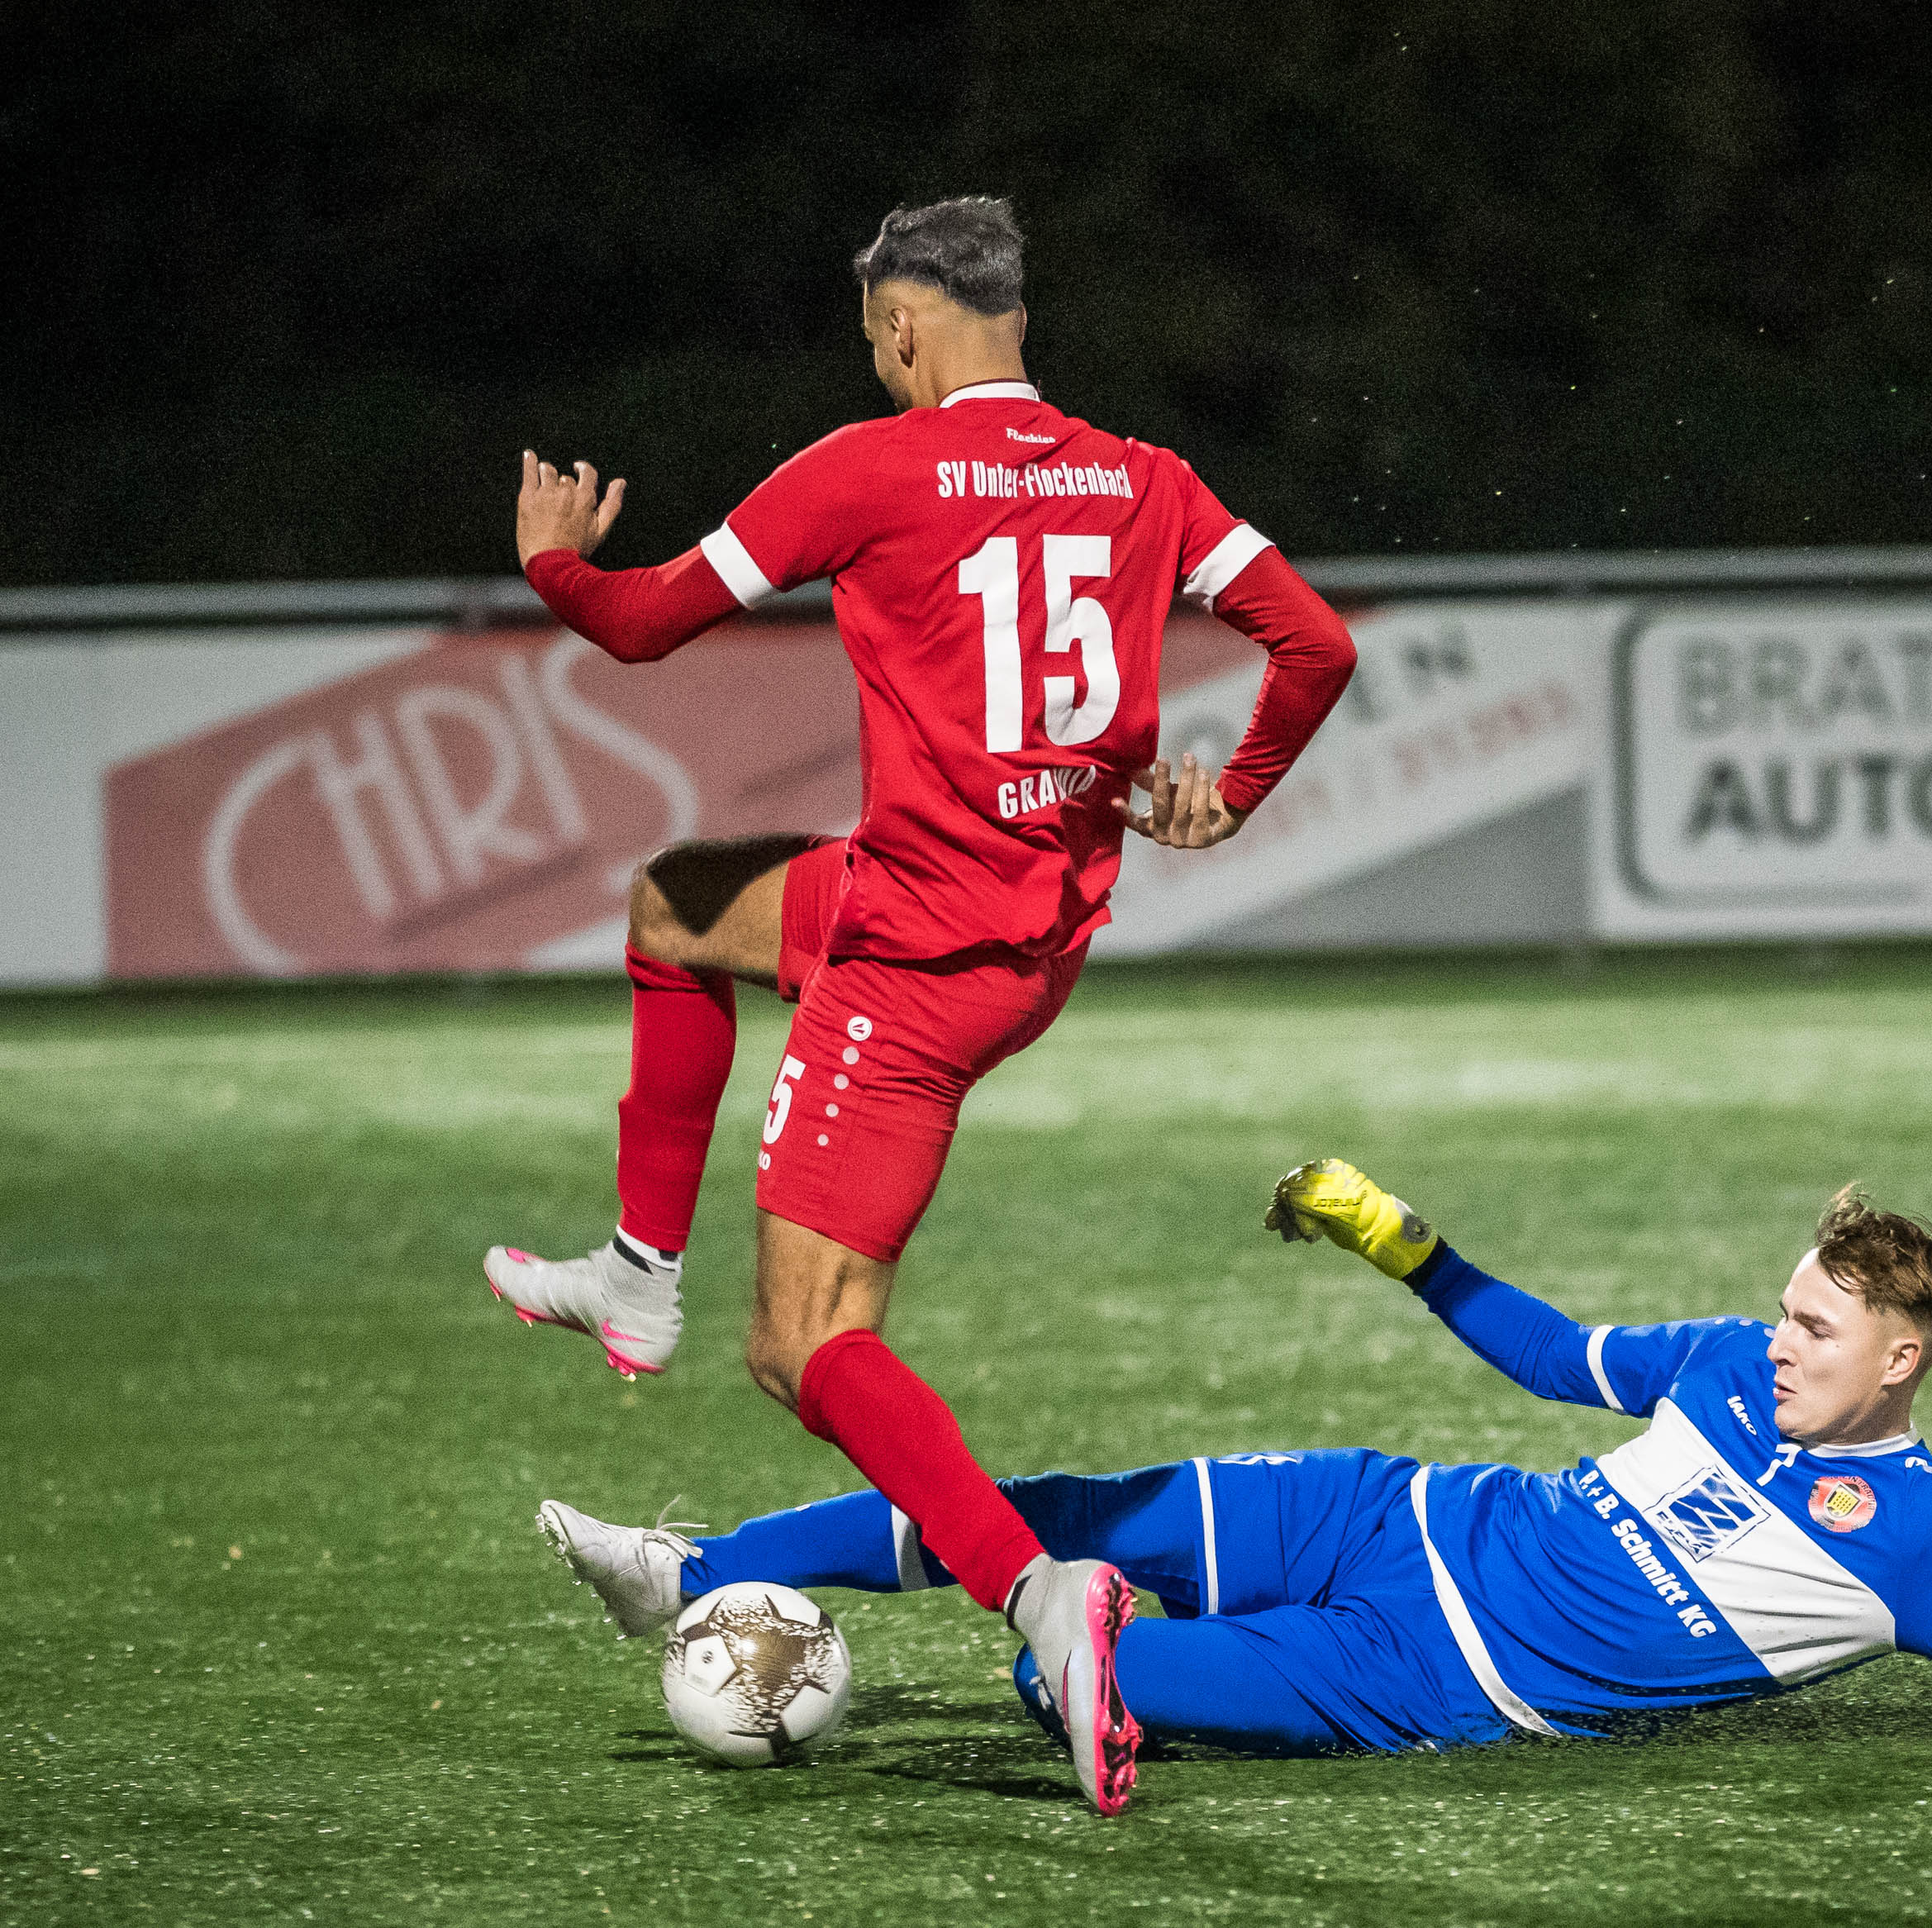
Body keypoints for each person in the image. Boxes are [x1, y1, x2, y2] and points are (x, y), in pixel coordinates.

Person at [488, 197, 1358, 1815]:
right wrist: (1224, 795)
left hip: (912, 971)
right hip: (1021, 940)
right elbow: (1310, 642)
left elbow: (643, 620)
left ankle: (1044, 1600)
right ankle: (632, 1274)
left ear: (901, 327)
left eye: (872, 340)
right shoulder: (1144, 478)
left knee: (808, 1346)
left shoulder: (866, 470)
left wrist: (549, 556)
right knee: (674, 910)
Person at [536, 1159, 1932, 1770]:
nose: (1778, 1341)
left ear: (1899, 1360)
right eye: (1785, 1308)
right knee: (1066, 1514)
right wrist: (1408, 1246)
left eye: (1817, 1329)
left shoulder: (1928, 1539)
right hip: (1397, 1506)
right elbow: (1557, 1357)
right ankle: (687, 1569)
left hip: (1425, 1671)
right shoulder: (1722, 1359)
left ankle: (1086, 1644)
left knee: (1069, 1682)